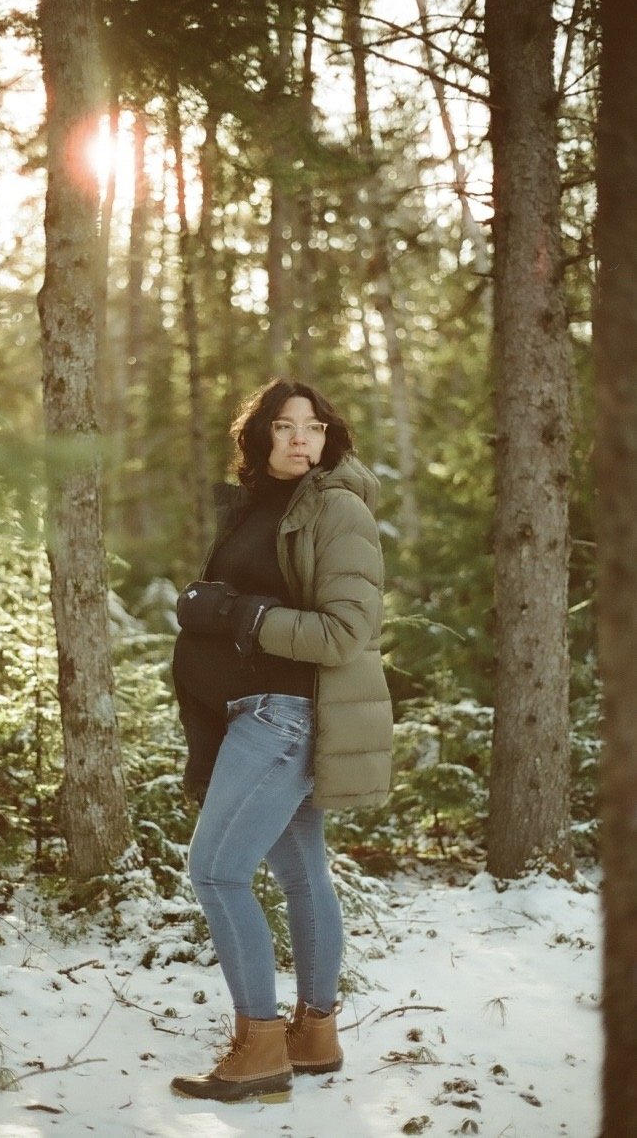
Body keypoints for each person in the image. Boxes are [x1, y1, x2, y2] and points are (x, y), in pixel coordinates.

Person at [170, 378, 393, 1104]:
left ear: (330, 439)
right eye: (286, 426)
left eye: (315, 427)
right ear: (259, 435)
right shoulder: (258, 507)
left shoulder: (336, 508)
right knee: (301, 874)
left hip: (284, 714)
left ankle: (258, 1044)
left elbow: (342, 632)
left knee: (216, 871)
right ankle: (314, 1033)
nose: (302, 439)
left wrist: (236, 614)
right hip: (254, 711)